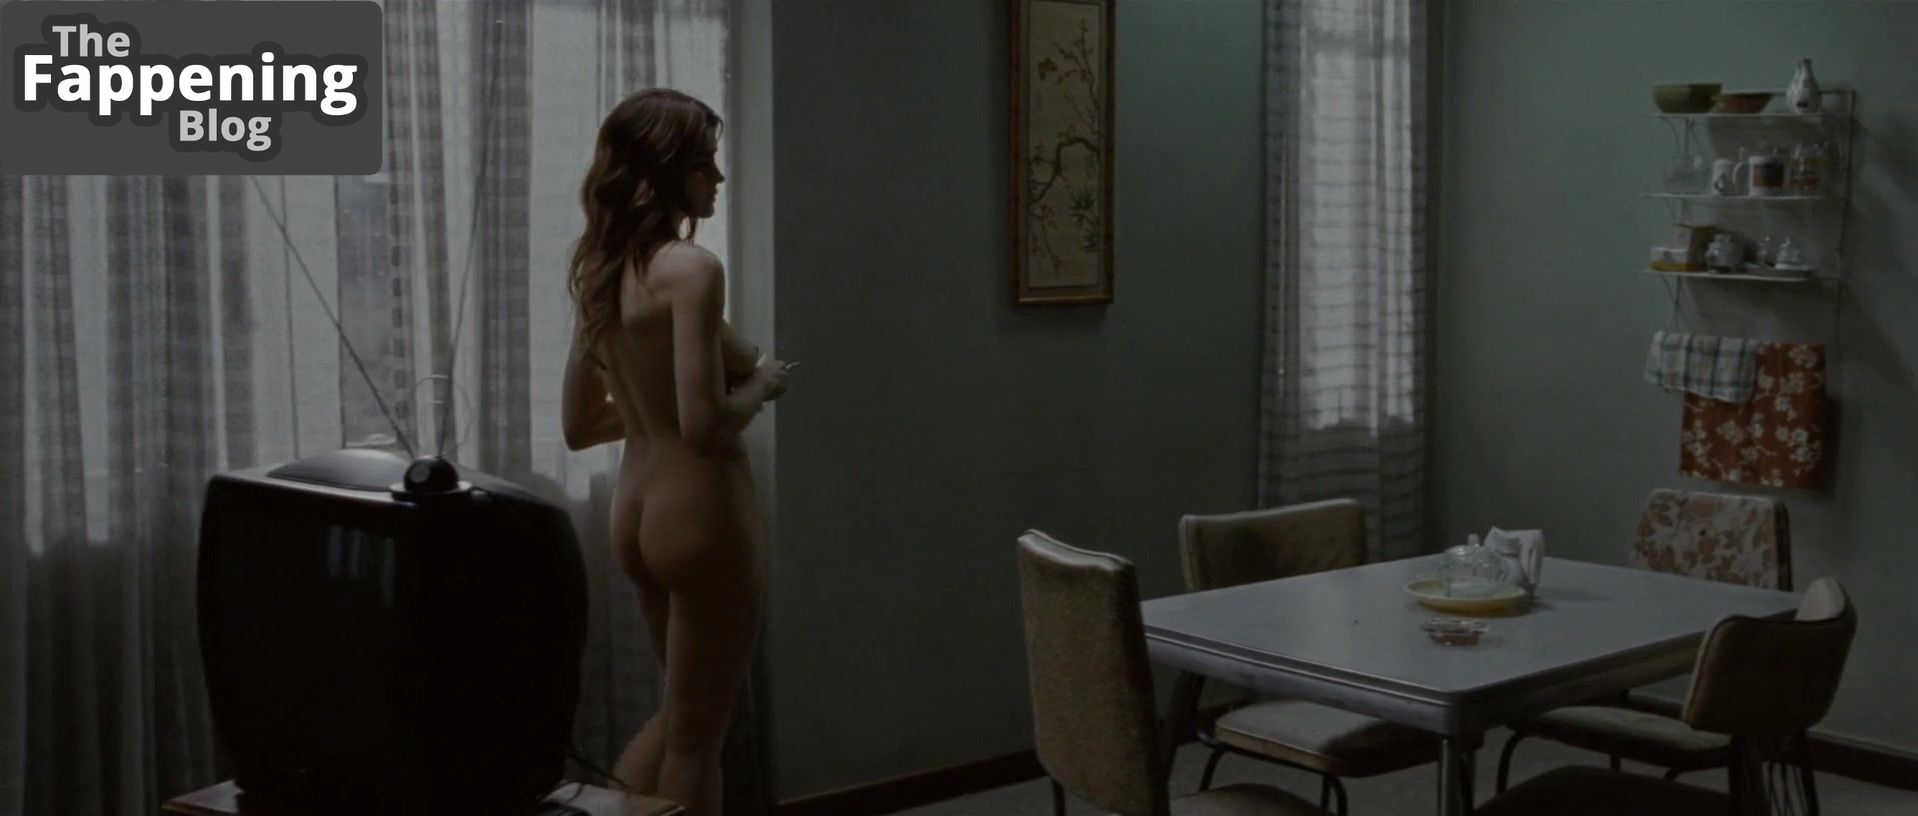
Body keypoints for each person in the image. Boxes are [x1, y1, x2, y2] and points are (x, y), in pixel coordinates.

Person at [561, 88, 789, 816]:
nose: (717, 178)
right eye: (703, 163)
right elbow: (705, 427)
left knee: (681, 719)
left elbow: (580, 425)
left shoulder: (600, 270)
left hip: (636, 511)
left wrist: (648, 411)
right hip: (701, 513)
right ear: (663, 173)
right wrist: (762, 386)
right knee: (696, 738)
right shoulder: (692, 269)